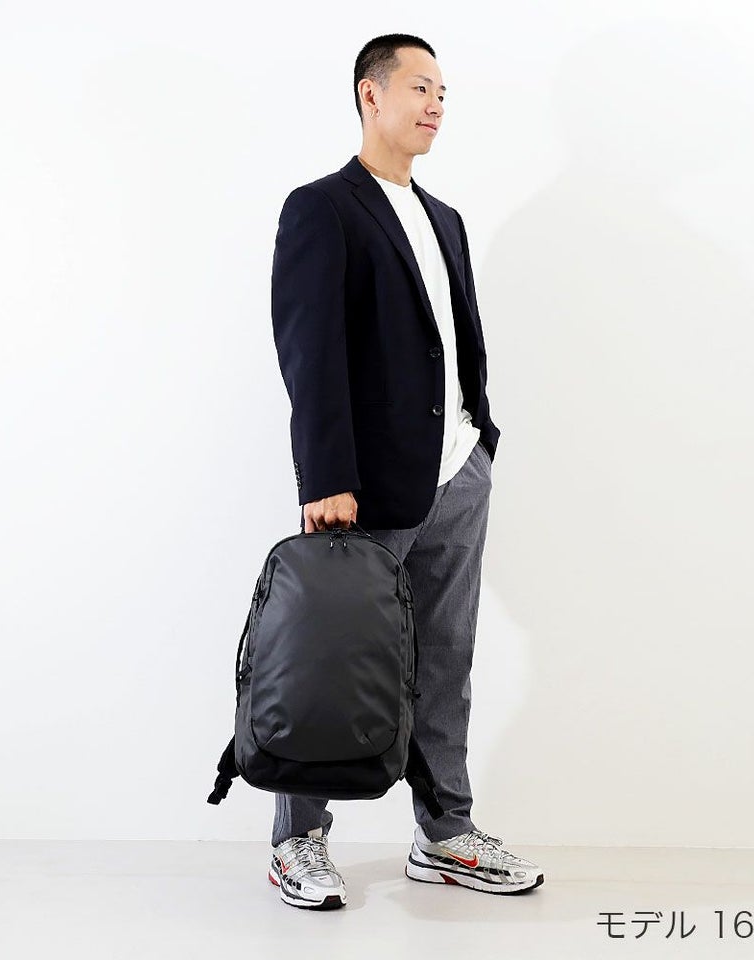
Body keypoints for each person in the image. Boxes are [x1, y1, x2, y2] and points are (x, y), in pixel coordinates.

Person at [268, 33, 543, 910]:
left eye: (443, 92)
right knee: (333, 660)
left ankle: (445, 832)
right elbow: (310, 352)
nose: (435, 105)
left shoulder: (444, 217)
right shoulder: (323, 208)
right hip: (366, 483)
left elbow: (455, 344)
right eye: (420, 87)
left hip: (458, 471)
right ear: (370, 94)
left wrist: (480, 441)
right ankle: (297, 839)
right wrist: (325, 476)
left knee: (447, 660)